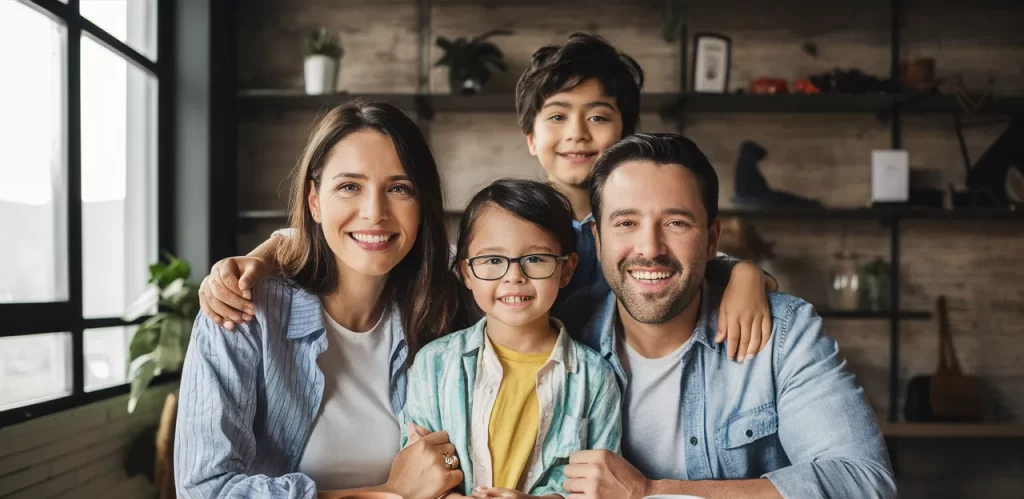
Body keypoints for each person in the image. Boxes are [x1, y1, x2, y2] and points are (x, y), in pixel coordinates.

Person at [196, 33, 776, 362]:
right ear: (531, 138)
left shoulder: (636, 237)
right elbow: (363, 240)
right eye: (557, 117)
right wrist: (266, 253)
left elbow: (680, 262)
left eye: (598, 117)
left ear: (626, 135)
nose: (576, 133)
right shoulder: (516, 226)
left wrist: (748, 274)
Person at [560, 133, 898, 499]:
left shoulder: (784, 332)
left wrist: (650, 498)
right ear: (596, 238)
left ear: (712, 239)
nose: (650, 248)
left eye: (676, 223)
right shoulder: (560, 334)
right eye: (626, 222)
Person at [174, 101, 468, 499]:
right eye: (349, 186)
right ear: (314, 200)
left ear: (423, 206)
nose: (375, 212)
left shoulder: (444, 310)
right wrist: (390, 496)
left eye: (400, 189)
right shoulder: (242, 311)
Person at [401, 179, 621, 499]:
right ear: (467, 272)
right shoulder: (434, 366)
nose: (514, 276)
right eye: (492, 260)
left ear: (566, 269)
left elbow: (605, 496)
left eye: (536, 258)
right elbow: (411, 469)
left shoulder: (595, 378)